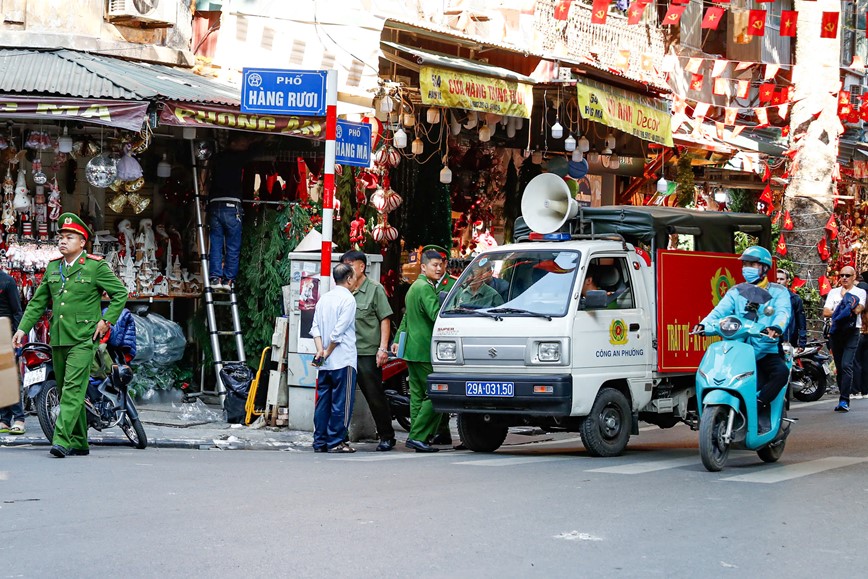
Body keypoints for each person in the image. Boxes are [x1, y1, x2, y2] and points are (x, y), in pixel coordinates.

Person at [12, 213, 128, 457]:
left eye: (69, 237)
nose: (63, 241)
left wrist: (106, 321)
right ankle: (80, 442)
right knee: (66, 390)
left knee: (73, 389)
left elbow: (120, 293)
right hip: (58, 338)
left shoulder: (95, 266)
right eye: (61, 237)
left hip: (84, 339)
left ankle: (61, 440)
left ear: (82, 242)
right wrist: (22, 328)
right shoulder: (54, 267)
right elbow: (38, 302)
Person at [693, 246, 790, 431]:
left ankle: (758, 404)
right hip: (738, 350)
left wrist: (776, 327)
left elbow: (783, 312)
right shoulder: (736, 291)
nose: (747, 268)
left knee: (781, 373)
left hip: (765, 350)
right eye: (745, 264)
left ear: (764, 267)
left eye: (752, 264)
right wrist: (703, 325)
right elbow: (718, 312)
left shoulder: (778, 292)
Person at [340, 250, 396, 452]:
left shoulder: (374, 289)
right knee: (342, 396)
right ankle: (340, 437)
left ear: (361, 266)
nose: (347, 269)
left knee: (374, 395)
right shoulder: (343, 290)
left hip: (367, 352)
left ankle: (387, 436)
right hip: (345, 352)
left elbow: (385, 319)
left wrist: (383, 348)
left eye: (350, 265)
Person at [392, 249, 447, 452]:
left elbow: (406, 318)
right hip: (424, 350)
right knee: (436, 394)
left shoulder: (414, 286)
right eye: (434, 265)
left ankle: (418, 437)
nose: (439, 268)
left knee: (417, 397)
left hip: (412, 350)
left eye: (441, 265)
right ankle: (418, 436)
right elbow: (436, 315)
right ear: (423, 267)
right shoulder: (425, 288)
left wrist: (397, 340)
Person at [310, 263, 358, 453]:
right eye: (354, 277)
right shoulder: (348, 300)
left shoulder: (324, 299)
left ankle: (320, 441)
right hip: (343, 359)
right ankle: (336, 441)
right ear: (348, 279)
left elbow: (315, 328)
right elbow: (339, 332)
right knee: (341, 403)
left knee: (323, 402)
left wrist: (320, 351)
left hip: (325, 363)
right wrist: (328, 351)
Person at [202, 134, 258, 292]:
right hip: (232, 206)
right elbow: (256, 151)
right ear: (233, 143)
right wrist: (257, 139)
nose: (245, 146)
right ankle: (228, 280)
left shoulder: (216, 157)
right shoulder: (239, 157)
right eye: (243, 143)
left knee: (216, 243)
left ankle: (215, 278)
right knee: (233, 245)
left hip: (215, 204)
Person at [823, 265, 866, 412]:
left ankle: (844, 400)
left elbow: (858, 309)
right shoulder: (833, 292)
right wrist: (844, 308)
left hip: (852, 332)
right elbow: (826, 312)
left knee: (847, 364)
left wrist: (842, 308)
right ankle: (842, 395)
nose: (844, 278)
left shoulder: (860, 292)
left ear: (854, 277)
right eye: (842, 275)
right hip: (836, 332)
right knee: (840, 367)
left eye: (847, 275)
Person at [0, 268, 24, 435]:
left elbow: (17, 310)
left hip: (5, 332)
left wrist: (16, 336)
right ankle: (4, 419)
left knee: (8, 377)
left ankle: (19, 418)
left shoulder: (7, 281)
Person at [776, 270, 806, 350]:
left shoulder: (795, 299)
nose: (778, 282)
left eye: (781, 279)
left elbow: (801, 323)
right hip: (771, 340)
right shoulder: (769, 298)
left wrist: (802, 343)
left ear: (787, 281)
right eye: (776, 279)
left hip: (789, 341)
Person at [855, 272, 868, 399]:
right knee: (865, 362)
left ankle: (856, 390)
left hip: (858, 333)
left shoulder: (858, 302)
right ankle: (865, 390)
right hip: (867, 334)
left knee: (856, 362)